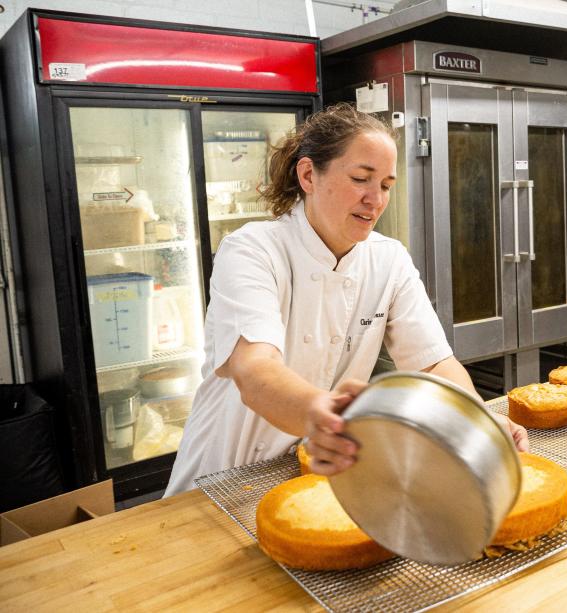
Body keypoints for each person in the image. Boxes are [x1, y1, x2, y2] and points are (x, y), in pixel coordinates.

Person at [164, 104, 528, 496]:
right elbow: (255, 371)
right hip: (222, 479)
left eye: (386, 185)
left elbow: (433, 361)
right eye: (360, 179)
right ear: (308, 175)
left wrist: (476, 417)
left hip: (314, 473)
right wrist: (319, 415)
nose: (375, 199)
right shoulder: (252, 251)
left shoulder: (388, 259)